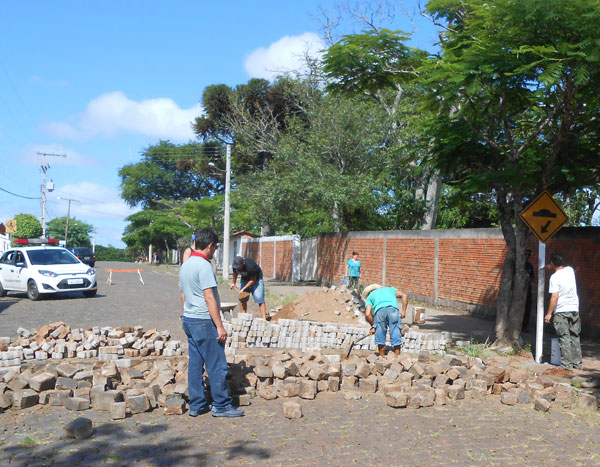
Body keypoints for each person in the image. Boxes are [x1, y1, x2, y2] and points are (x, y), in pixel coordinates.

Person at [179, 228, 244, 418]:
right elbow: (209, 297)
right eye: (215, 248)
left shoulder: (186, 265)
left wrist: (185, 313)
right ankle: (221, 405)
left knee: (196, 365)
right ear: (210, 246)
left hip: (189, 319)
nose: (214, 252)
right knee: (217, 365)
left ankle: (197, 404)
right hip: (203, 320)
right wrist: (219, 326)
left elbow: (183, 294)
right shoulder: (204, 265)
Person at [544, 252, 583, 371]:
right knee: (574, 336)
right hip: (574, 309)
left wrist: (549, 313)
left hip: (562, 311)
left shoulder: (554, 278)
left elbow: (554, 297)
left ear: (552, 263)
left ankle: (567, 365)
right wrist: (551, 266)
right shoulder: (570, 270)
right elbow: (562, 268)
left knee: (564, 337)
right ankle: (577, 363)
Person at [362, 283, 408, 357]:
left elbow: (367, 314)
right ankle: (397, 359)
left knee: (380, 336)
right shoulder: (390, 289)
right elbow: (404, 296)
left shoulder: (370, 297)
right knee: (396, 332)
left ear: (369, 292)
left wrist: (373, 326)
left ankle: (381, 358)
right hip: (393, 310)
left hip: (380, 312)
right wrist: (403, 311)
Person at [230, 255, 270, 321]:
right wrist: (233, 283)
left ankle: (264, 319)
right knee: (243, 298)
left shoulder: (250, 266)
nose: (238, 268)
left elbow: (253, 280)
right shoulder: (235, 265)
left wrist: (243, 289)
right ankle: (243, 318)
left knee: (259, 298)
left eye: (239, 267)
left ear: (243, 263)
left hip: (257, 279)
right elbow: (235, 273)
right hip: (245, 278)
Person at [522, 248, 534, 332]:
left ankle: (524, 327)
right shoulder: (519, 264)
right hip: (519, 291)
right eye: (525, 254)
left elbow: (532, 277)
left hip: (527, 290)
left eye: (528, 255)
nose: (527, 256)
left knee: (527, 309)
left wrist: (528, 278)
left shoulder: (530, 266)